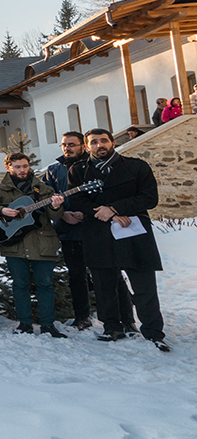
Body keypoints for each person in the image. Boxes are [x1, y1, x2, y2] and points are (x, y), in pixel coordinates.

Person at [67, 129, 169, 351]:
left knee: (144, 286)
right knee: (104, 285)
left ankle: (153, 331)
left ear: (113, 142)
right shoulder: (78, 171)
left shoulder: (136, 166)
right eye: (94, 142)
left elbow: (149, 197)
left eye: (104, 141)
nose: (99, 145)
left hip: (133, 231)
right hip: (98, 231)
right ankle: (112, 327)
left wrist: (115, 208)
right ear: (87, 147)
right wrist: (104, 212)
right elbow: (76, 199)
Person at [44, 131, 131, 329]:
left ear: (83, 146)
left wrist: (87, 213)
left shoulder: (93, 167)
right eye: (64, 145)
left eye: (72, 144)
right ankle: (82, 317)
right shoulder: (53, 170)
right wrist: (62, 213)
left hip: (97, 230)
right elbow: (48, 197)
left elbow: (104, 196)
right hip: (68, 231)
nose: (68, 148)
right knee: (76, 276)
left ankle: (126, 319)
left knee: (113, 275)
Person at [0, 153, 67, 337]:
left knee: (46, 285)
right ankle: (24, 323)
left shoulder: (44, 189)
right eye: (17, 167)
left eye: (24, 166)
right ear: (8, 167)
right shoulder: (1, 190)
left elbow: (54, 217)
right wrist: (1, 210)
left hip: (42, 243)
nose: (22, 170)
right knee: (20, 285)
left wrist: (56, 207)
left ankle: (48, 324)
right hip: (15, 243)